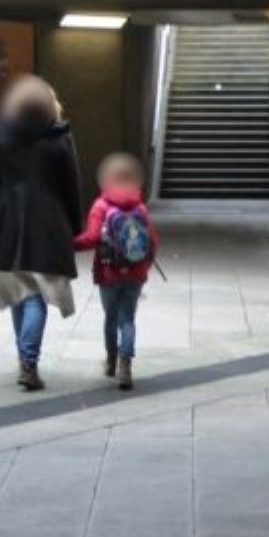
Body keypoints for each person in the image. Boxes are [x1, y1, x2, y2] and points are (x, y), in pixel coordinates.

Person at [0, 75, 82, 391]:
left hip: (6, 225)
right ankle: (28, 362)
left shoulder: (0, 136)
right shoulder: (60, 138)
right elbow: (72, 186)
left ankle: (24, 358)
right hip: (48, 227)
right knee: (36, 296)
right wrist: (76, 227)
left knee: (18, 294)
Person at [73, 153, 159, 391]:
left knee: (111, 318)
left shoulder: (101, 206)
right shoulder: (140, 207)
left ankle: (111, 361)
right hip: (135, 275)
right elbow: (153, 242)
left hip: (108, 273)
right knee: (127, 319)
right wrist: (143, 269)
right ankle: (126, 365)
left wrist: (68, 244)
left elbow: (91, 238)